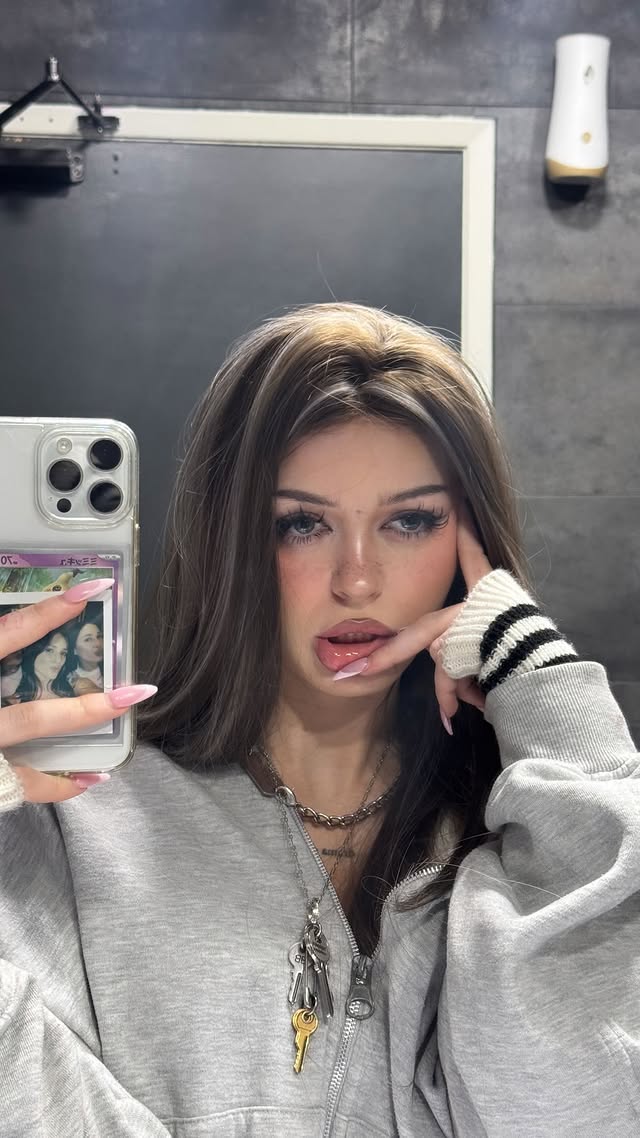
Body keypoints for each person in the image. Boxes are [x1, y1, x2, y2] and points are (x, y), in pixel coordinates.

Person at [0, 301, 638, 1137]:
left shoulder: (529, 842)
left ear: (470, 544)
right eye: (302, 524)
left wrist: (548, 689)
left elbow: (593, 1110)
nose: (357, 580)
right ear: (233, 541)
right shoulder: (70, 821)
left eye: (410, 521)